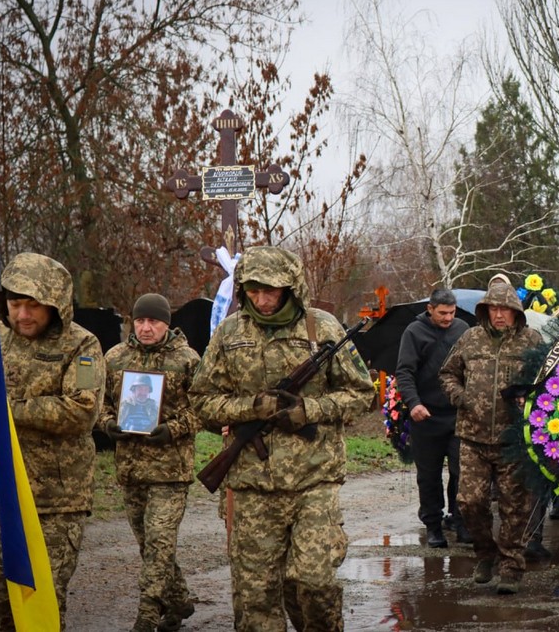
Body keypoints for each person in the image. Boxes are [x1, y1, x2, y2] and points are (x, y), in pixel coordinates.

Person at [189, 246, 374, 632]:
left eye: (271, 290)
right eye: (254, 291)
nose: (262, 299)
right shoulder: (230, 332)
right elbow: (201, 402)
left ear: (291, 287)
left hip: (314, 481)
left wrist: (309, 411)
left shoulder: (322, 329)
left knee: (314, 583)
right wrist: (252, 408)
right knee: (255, 598)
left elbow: (361, 394)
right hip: (252, 484)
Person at [0, 252, 106, 631]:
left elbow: (82, 411)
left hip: (55, 498)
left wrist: (6, 412)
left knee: (41, 600)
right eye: (16, 304)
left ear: (55, 303)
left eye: (33, 304)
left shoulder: (82, 346)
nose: (23, 315)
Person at [101, 293, 201, 632]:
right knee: (151, 546)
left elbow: (204, 408)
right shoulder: (114, 358)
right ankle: (179, 601)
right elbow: (98, 404)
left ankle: (147, 614)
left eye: (153, 322)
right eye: (140, 321)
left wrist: (172, 429)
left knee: (160, 542)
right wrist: (107, 424)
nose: (145, 328)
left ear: (166, 324)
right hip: (130, 468)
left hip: (171, 470)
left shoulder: (187, 360)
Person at [438, 279, 542, 595]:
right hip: (472, 436)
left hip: (513, 439)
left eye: (505, 310)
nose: (499, 315)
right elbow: (447, 374)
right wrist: (460, 395)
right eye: (493, 309)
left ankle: (511, 566)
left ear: (516, 312)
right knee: (469, 502)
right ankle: (486, 553)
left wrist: (531, 400)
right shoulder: (470, 339)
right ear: (485, 311)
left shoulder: (531, 341)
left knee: (515, 507)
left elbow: (549, 382)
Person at [395, 288, 471, 549]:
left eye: (451, 312)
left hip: (457, 414)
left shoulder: (462, 329)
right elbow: (404, 372)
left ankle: (460, 521)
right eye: (442, 313)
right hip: (425, 417)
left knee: (462, 472)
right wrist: (413, 403)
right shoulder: (413, 333)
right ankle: (433, 526)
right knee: (428, 476)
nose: (448, 318)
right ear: (430, 309)